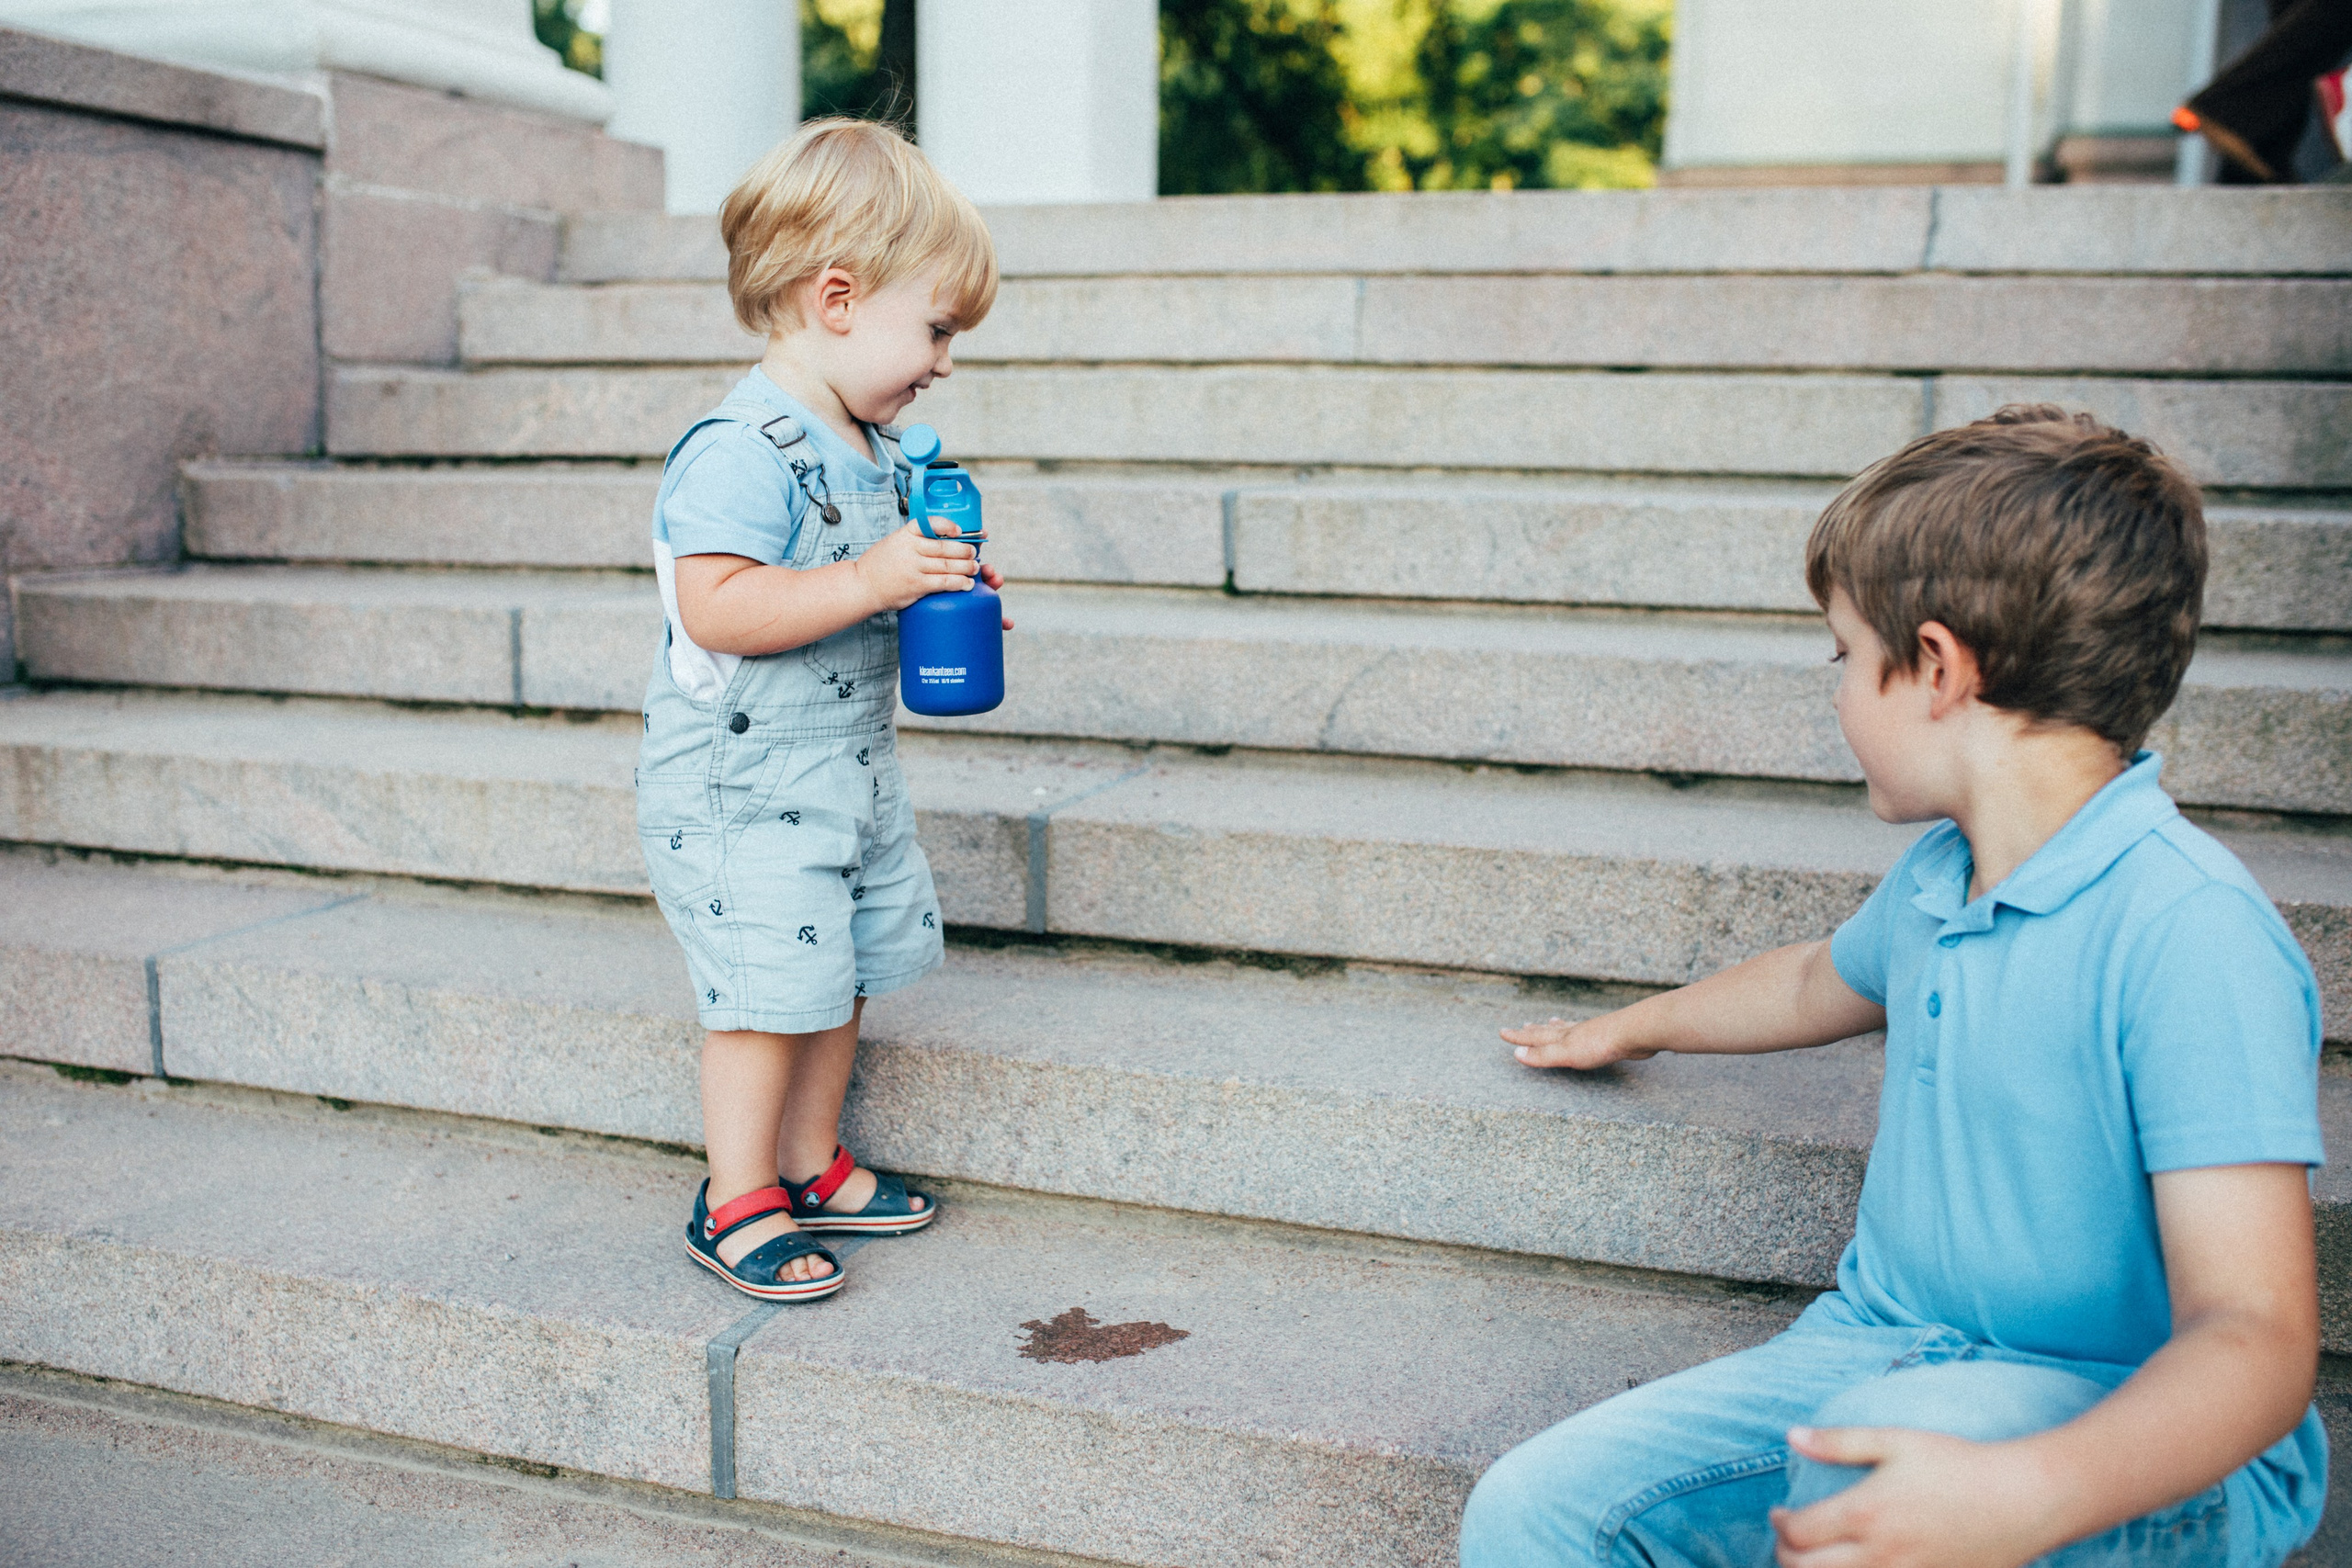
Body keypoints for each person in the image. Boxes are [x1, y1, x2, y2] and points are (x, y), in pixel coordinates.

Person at [1463, 407, 2326, 1567]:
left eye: (1841, 656)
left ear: (1935, 667)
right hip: (1875, 1349)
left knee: (1872, 1469)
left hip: (2128, 1429)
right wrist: (1634, 1026)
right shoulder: (1936, 878)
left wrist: (2033, 1490)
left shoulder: (2188, 932)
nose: (1834, 694)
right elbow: (1809, 981)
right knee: (1534, 1509)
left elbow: (2256, 1337)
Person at [637, 118, 1008, 1303]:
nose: (943, 362)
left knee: (837, 966)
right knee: (765, 994)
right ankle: (735, 1193)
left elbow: (870, 585)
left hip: (845, 774)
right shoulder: (738, 449)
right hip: (741, 788)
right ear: (837, 298)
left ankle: (807, 1156)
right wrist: (870, 578)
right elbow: (715, 607)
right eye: (936, 329)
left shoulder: (880, 447)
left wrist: (940, 596)